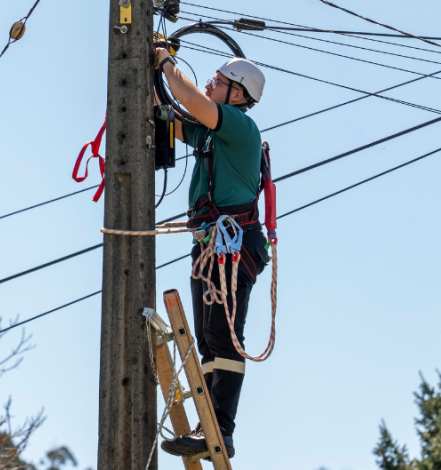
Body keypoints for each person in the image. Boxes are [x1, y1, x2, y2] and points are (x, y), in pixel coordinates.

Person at [154, 47, 270, 460]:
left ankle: (222, 428)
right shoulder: (211, 132)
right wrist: (150, 74)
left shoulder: (239, 126)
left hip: (234, 245)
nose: (209, 85)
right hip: (210, 246)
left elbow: (187, 97)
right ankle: (210, 423)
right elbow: (172, 111)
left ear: (237, 96)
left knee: (223, 336)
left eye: (218, 82)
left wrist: (166, 61)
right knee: (207, 338)